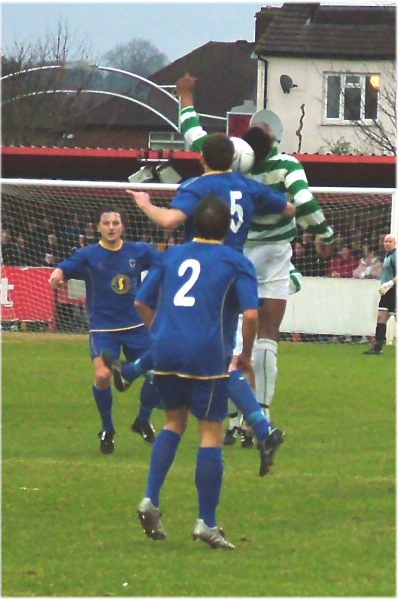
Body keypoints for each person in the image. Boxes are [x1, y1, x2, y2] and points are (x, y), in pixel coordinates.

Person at [176, 73, 334, 429]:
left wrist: (186, 96)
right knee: (267, 333)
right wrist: (326, 234)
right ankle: (260, 412)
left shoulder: (228, 160)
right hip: (275, 252)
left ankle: (231, 417)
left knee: (233, 330)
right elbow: (305, 202)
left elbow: (194, 135)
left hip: (236, 249)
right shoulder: (286, 164)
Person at [131, 195, 283, 550]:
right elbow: (250, 314)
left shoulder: (171, 256)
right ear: (230, 225)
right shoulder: (235, 261)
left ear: (193, 224)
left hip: (166, 351)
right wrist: (244, 356)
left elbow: (141, 301)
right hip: (206, 355)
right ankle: (207, 522)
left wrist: (160, 334)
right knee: (211, 433)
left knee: (173, 423)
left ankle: (150, 498)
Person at [49, 204, 161, 454]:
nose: (111, 227)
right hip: (103, 329)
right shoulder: (88, 255)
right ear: (98, 227)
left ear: (123, 226)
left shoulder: (138, 251)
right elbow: (65, 267)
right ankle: (107, 428)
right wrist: (56, 275)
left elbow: (164, 262)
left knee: (159, 376)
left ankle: (142, 419)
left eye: (115, 223)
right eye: (106, 223)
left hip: (136, 326)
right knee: (102, 376)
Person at [126, 132, 294, 252]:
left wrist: (145, 203)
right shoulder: (252, 187)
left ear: (202, 159)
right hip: (236, 264)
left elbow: (169, 221)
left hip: (202, 263)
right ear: (233, 160)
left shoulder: (197, 186)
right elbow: (289, 209)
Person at [364, 234, 396, 355]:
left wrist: (390, 283)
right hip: (386, 292)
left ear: (395, 243)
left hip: (394, 291)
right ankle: (378, 348)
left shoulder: (395, 256)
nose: (387, 243)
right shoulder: (388, 256)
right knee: (381, 318)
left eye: (390, 241)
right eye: (385, 241)